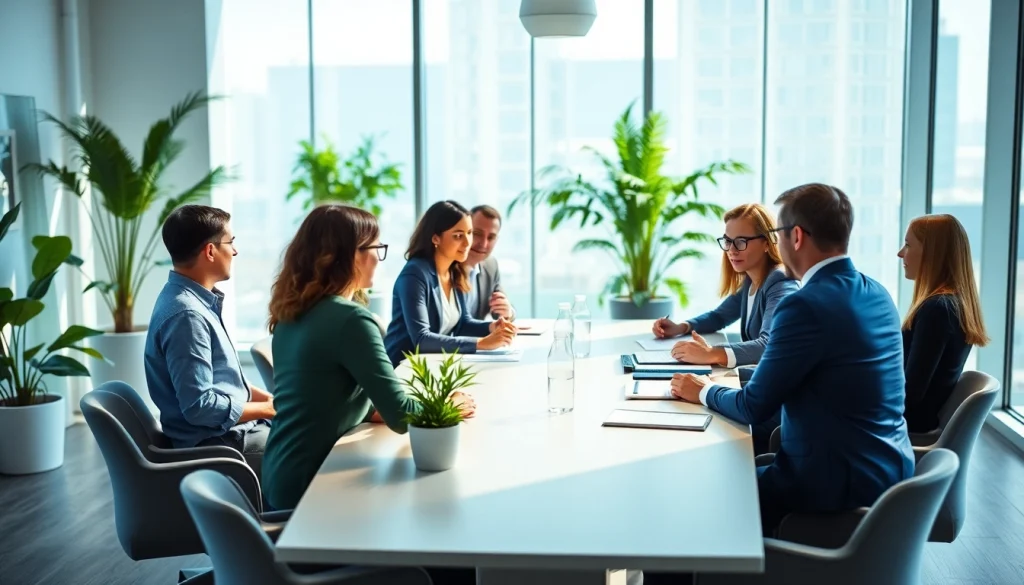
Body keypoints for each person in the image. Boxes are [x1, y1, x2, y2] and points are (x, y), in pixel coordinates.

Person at [668, 183, 914, 536]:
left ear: (795, 236)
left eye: (778, 233)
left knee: (695, 491)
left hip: (832, 483)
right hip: (888, 471)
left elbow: (752, 407)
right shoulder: (877, 291)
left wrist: (703, 391)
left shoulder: (803, 305)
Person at [262, 204, 477, 511]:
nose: (378, 258)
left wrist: (372, 407)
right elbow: (401, 416)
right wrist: (447, 406)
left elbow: (322, 395)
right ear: (350, 255)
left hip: (280, 475)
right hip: (313, 490)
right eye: (376, 248)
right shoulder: (351, 320)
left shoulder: (291, 313)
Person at [144, 205, 275, 479]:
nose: (235, 251)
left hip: (230, 435)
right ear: (211, 251)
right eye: (231, 242)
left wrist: (271, 401)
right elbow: (200, 406)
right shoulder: (187, 315)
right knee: (315, 452)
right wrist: (267, 409)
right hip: (220, 447)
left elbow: (224, 382)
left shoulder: (191, 301)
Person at [652, 203, 799, 368]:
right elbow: (719, 317)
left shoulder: (781, 282)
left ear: (767, 243)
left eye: (741, 241)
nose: (731, 250)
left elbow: (769, 345)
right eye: (728, 241)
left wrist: (711, 353)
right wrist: (681, 327)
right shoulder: (751, 280)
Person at [384, 200, 516, 366]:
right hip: (404, 368)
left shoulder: (454, 270)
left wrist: (492, 327)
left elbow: (462, 324)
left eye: (469, 233)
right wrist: (482, 343)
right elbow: (422, 339)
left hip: (435, 365)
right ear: (436, 238)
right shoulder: (415, 274)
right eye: (458, 236)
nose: (467, 243)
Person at [897, 214, 989, 433]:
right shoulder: (952, 304)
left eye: (908, 245)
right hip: (914, 421)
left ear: (932, 253)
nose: (900, 253)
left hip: (907, 427)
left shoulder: (936, 309)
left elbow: (910, 394)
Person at [463, 204, 516, 321]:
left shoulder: (490, 265)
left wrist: (508, 312)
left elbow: (502, 306)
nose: (484, 244)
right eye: (477, 234)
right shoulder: (446, 265)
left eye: (491, 237)